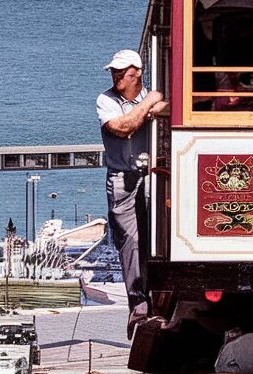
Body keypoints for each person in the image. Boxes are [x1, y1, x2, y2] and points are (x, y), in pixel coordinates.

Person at [96, 49, 168, 337]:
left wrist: (160, 104)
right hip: (121, 179)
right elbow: (122, 128)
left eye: (121, 73)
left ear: (136, 74)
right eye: (113, 72)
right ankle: (138, 306)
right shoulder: (105, 100)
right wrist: (151, 102)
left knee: (156, 237)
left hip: (150, 178)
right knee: (130, 241)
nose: (115, 77)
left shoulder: (150, 97)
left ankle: (156, 298)